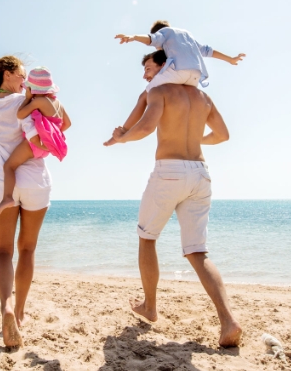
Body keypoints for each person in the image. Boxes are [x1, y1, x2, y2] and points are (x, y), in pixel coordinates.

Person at [103, 50, 243, 347]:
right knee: (197, 251)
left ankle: (150, 306)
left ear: (166, 65)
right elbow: (222, 135)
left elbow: (144, 127)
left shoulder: (160, 91)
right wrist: (192, 139)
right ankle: (228, 321)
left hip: (169, 172)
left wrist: (121, 138)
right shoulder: (202, 98)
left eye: (149, 68)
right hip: (200, 172)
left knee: (147, 237)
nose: (145, 75)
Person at [0, 18, 64, 348]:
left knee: (1, 251)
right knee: (26, 249)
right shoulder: (24, 102)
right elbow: (56, 125)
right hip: (36, 177)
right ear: (9, 73)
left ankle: (7, 308)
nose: (25, 80)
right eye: (21, 75)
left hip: (3, 179)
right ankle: (22, 313)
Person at [0, 67, 70, 219]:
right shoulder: (58, 103)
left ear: (33, 89)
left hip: (34, 144)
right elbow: (67, 124)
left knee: (9, 165)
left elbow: (20, 114)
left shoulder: (39, 101)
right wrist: (50, 134)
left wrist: (28, 98)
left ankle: (7, 197)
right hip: (46, 147)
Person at [115, 20, 245, 92]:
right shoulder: (187, 35)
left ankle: (128, 128)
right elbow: (207, 50)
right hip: (196, 75)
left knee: (148, 91)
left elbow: (152, 38)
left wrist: (133, 37)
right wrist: (230, 59)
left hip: (180, 71)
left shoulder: (164, 33)